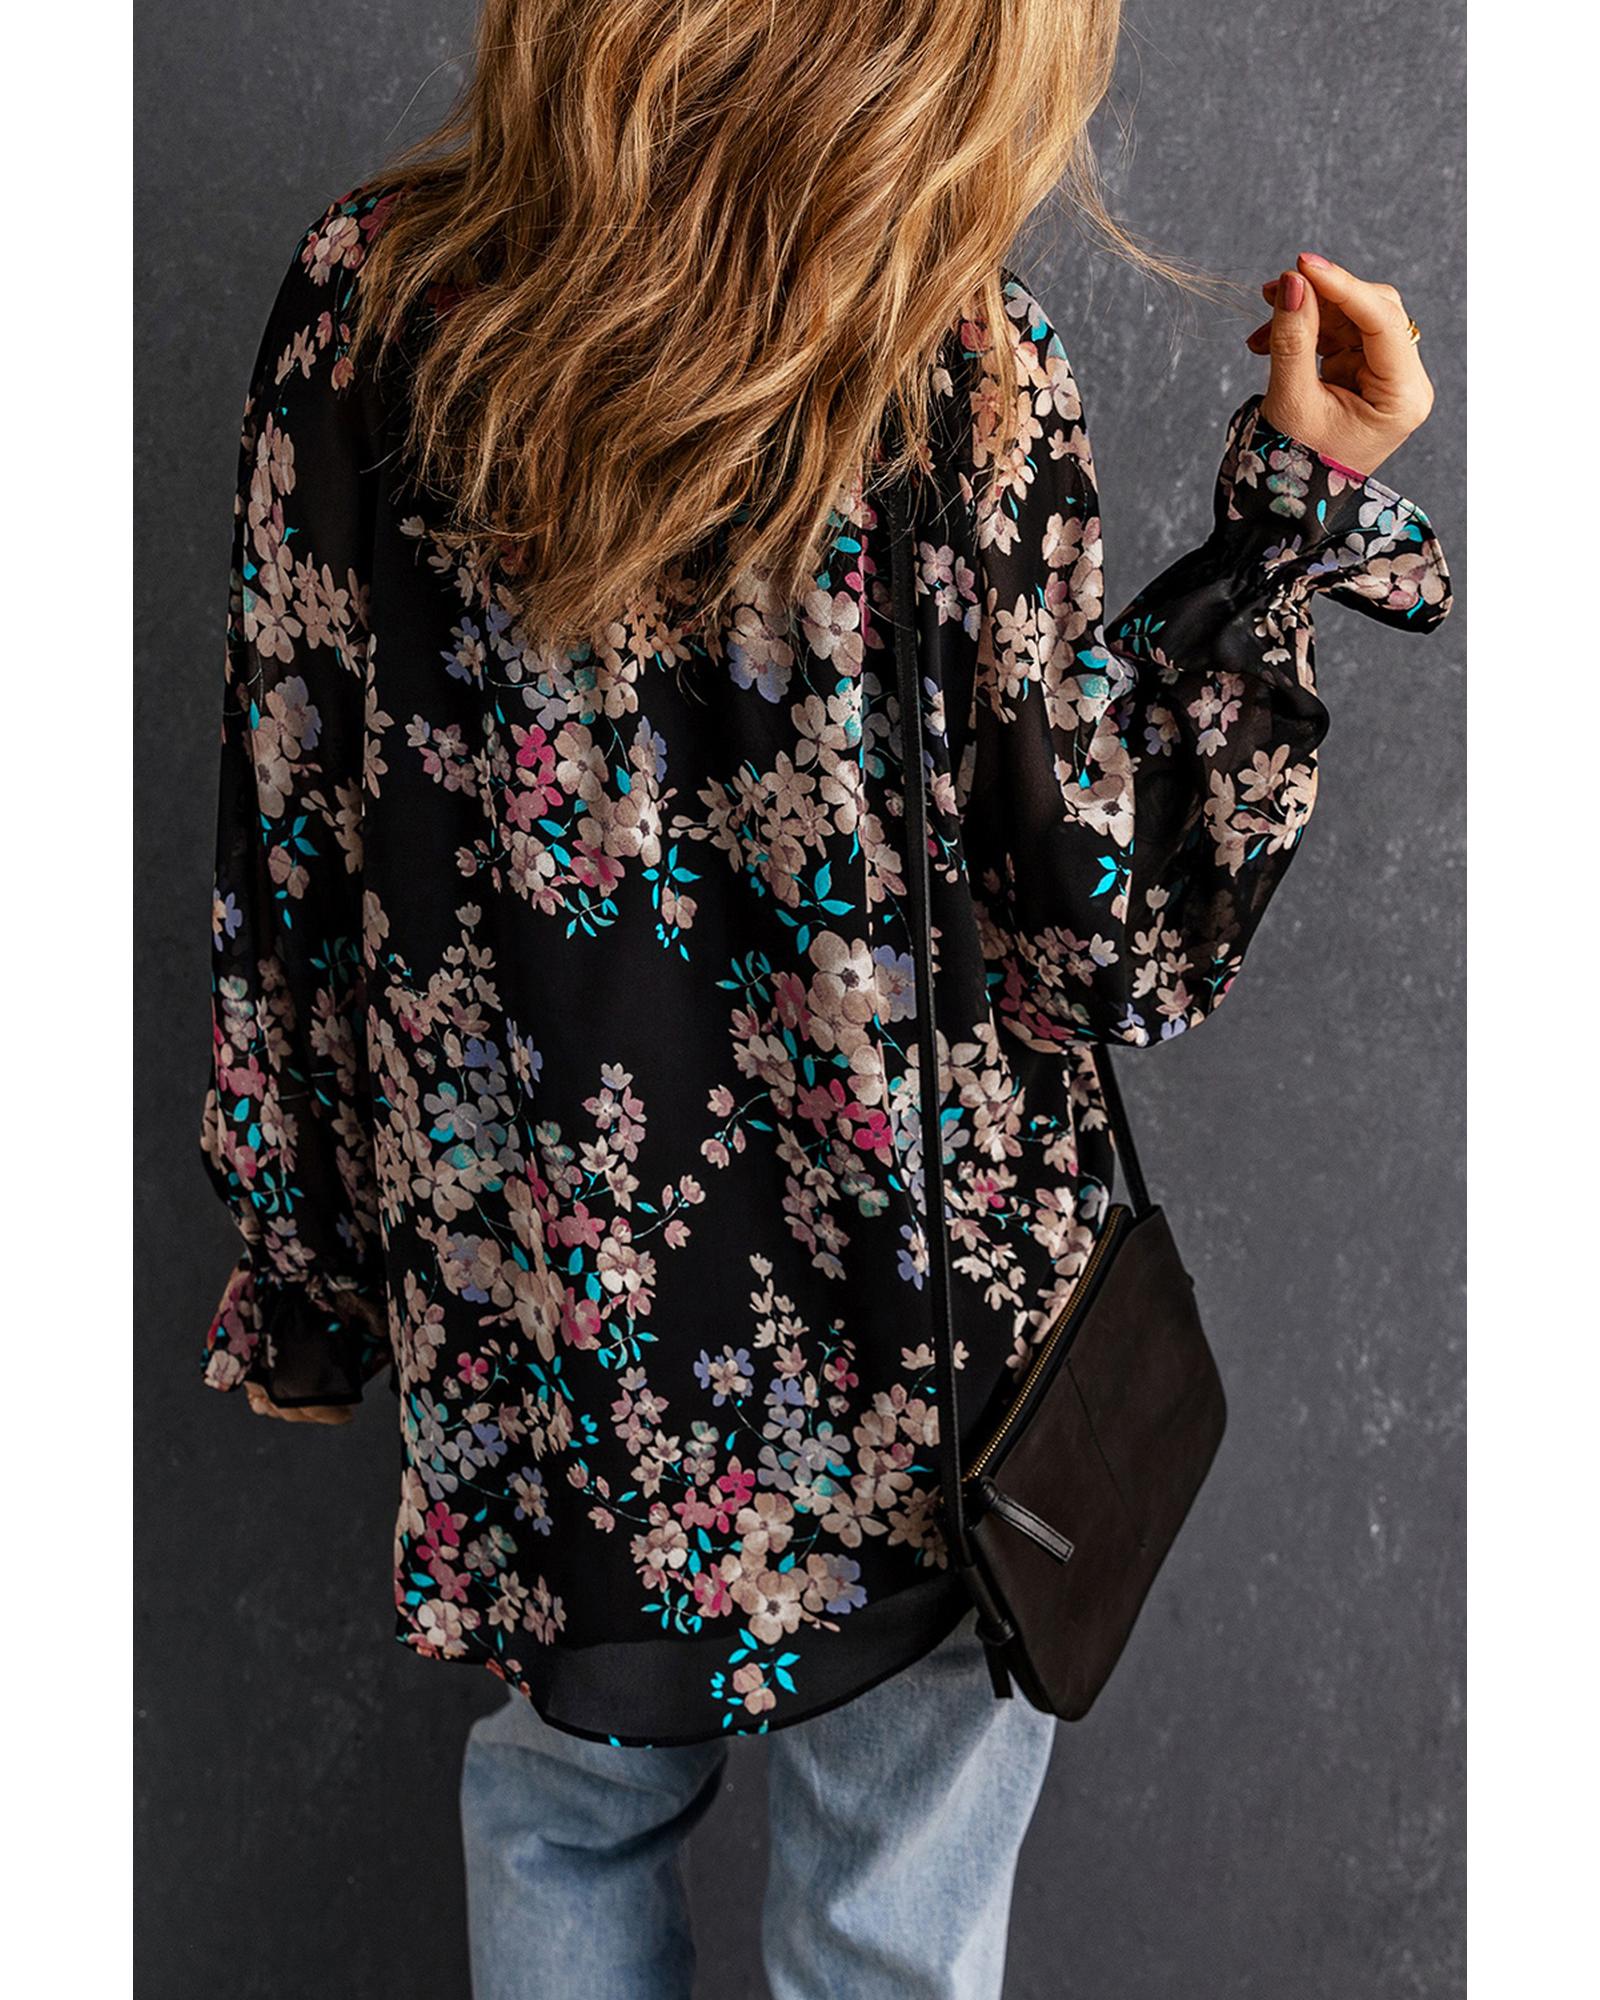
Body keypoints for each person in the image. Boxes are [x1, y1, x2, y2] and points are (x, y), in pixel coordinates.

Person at [196, 2, 1450, 1993]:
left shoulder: (373, 304)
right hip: (921, 1346)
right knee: (887, 1916)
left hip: (563, 1325)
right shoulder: (959, 362)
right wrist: (1295, 505)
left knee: (562, 1807)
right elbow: (1097, 928)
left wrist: (306, 1261)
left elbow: (295, 814)